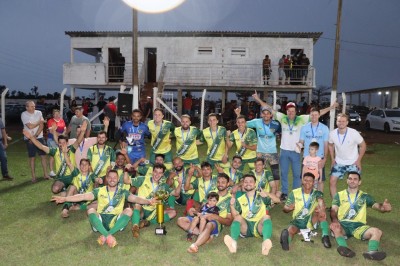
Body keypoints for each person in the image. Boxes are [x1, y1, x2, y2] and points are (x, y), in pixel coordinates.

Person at [252, 91, 337, 201]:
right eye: (289, 110)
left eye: (293, 111)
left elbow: (318, 113)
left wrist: (331, 107)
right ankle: (285, 193)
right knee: (284, 173)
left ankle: (296, 193)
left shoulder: (302, 119)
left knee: (297, 175)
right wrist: (258, 99)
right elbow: (268, 108)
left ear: (296, 111)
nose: (291, 112)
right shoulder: (282, 117)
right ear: (286, 111)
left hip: (296, 152)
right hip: (284, 151)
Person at [52, 170, 156, 248]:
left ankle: (106, 235)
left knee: (129, 210)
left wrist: (148, 201)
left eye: (114, 177)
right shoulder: (99, 190)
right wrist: (65, 198)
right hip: (100, 220)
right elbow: (83, 196)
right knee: (91, 210)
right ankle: (108, 235)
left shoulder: (122, 191)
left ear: (118, 179)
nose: (112, 179)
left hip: (116, 221)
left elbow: (135, 198)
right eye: (109, 177)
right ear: (106, 178)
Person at [330, 172, 391, 260]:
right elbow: (333, 210)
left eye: (355, 179)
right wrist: (335, 221)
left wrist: (384, 208)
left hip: (359, 227)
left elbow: (377, 206)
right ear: (347, 181)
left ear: (359, 182)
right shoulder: (339, 195)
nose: (352, 181)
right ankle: (343, 247)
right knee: (334, 227)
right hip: (343, 225)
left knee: (377, 232)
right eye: (350, 179)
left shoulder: (365, 196)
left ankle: (372, 252)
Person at [23, 121, 86, 194]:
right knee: (55, 189)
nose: (61, 145)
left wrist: (83, 132)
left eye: (64, 143)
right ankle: (64, 190)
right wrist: (31, 137)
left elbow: (78, 141)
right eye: (60, 143)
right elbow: (41, 147)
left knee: (76, 194)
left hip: (73, 176)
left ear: (67, 143)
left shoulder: (71, 149)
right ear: (58, 143)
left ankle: (72, 192)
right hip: (61, 177)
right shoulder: (55, 151)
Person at [224, 174, 280, 255]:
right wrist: (232, 206)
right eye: (246, 182)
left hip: (259, 226)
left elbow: (277, 200)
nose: (248, 183)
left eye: (251, 181)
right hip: (246, 228)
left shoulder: (261, 196)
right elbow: (235, 217)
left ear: (255, 184)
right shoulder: (240, 199)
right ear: (243, 184)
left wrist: (267, 194)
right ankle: (233, 244)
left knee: (267, 217)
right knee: (238, 217)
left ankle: (265, 244)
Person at [176, 173, 233, 253]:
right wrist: (194, 211)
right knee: (180, 220)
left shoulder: (230, 199)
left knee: (209, 225)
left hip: (215, 222)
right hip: (202, 217)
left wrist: (214, 216)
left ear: (228, 184)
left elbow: (229, 222)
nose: (220, 184)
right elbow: (202, 207)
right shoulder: (211, 193)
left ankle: (195, 245)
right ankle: (204, 235)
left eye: (223, 182)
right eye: (218, 182)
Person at [124, 163, 181, 238]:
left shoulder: (163, 186)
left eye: (160, 173)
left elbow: (176, 193)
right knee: (137, 205)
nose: (157, 174)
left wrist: (180, 183)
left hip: (154, 212)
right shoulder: (143, 179)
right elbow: (126, 181)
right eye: (155, 172)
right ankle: (135, 227)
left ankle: (147, 222)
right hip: (142, 209)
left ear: (162, 174)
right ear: (152, 172)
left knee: (173, 213)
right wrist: (125, 170)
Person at [280, 172, 331, 251]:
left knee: (320, 212)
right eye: (305, 180)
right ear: (302, 181)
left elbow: (320, 200)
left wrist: (322, 208)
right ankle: (286, 243)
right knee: (290, 230)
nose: (307, 182)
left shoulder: (316, 193)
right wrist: (288, 208)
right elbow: (285, 209)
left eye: (310, 181)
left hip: (311, 220)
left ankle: (325, 236)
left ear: (313, 183)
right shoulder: (294, 193)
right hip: (297, 221)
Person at [236, 106, 281, 190]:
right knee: (259, 172)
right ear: (261, 114)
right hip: (260, 152)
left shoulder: (276, 124)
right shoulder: (256, 122)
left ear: (271, 115)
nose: (266, 115)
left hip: (273, 152)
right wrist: (238, 114)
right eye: (264, 113)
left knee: (275, 173)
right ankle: (258, 189)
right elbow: (242, 123)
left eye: (268, 113)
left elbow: (283, 134)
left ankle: (276, 191)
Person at [328, 113, 366, 198]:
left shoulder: (354, 133)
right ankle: (336, 205)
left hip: (353, 162)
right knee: (332, 181)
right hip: (339, 162)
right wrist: (332, 159)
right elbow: (330, 145)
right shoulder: (332, 134)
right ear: (336, 122)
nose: (341, 123)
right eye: (339, 121)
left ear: (347, 122)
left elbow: (363, 145)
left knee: (354, 183)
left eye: (343, 121)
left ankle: (352, 204)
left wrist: (358, 160)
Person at [299, 107, 329, 192]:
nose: (314, 116)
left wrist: (325, 159)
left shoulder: (324, 128)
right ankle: (305, 200)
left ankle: (320, 201)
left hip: (319, 158)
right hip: (307, 157)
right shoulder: (304, 127)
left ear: (319, 115)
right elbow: (301, 141)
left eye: (316, 115)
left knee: (320, 181)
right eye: (312, 115)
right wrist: (298, 145)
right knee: (305, 179)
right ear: (310, 115)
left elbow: (326, 144)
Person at [21, 100, 49, 182]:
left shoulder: (39, 112)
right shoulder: (24, 114)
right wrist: (39, 121)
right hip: (29, 139)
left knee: (43, 156)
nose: (34, 107)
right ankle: (33, 177)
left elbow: (41, 125)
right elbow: (30, 126)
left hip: (39, 137)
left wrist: (35, 136)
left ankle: (46, 174)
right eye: (32, 106)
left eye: (34, 106)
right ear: (27, 107)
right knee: (32, 157)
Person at [47, 109, 67, 178]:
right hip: (52, 140)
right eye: (55, 114)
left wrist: (62, 135)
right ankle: (51, 171)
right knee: (53, 155)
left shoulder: (62, 120)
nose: (57, 115)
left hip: (60, 140)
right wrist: (60, 135)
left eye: (58, 114)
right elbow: (51, 131)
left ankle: (60, 169)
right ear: (53, 115)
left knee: (60, 155)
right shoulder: (50, 121)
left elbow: (65, 129)